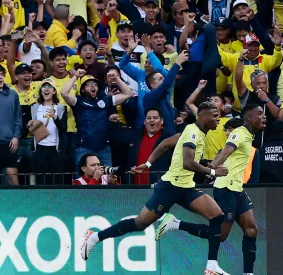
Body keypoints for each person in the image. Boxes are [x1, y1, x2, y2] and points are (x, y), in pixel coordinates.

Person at [83, 102, 230, 275]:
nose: (218, 119)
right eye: (214, 115)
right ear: (203, 116)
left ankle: (211, 267)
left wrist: (147, 163)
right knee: (140, 223)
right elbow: (187, 163)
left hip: (186, 187)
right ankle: (94, 237)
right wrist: (213, 171)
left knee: (217, 216)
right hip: (170, 187)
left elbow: (166, 143)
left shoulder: (194, 130)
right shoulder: (192, 132)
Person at [152, 104, 267, 275]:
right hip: (226, 188)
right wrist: (213, 167)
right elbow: (226, 150)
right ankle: (175, 224)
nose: (264, 116)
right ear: (250, 118)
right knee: (220, 235)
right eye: (260, 114)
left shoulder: (249, 135)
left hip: (237, 188)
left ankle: (248, 273)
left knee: (251, 229)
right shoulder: (239, 133)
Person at [28, 78, 67, 185]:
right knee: (41, 181)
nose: (46, 89)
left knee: (56, 181)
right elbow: (29, 126)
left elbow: (63, 128)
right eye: (44, 87)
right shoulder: (34, 107)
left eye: (49, 87)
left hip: (56, 149)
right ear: (41, 91)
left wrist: (55, 117)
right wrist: (29, 124)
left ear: (54, 91)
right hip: (39, 148)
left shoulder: (61, 108)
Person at [0, 65, 21, 185]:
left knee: (13, 178)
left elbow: (18, 118)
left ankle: (19, 204)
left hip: (9, 143)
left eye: (1, 74)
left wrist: (16, 136)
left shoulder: (13, 94)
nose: (0, 77)